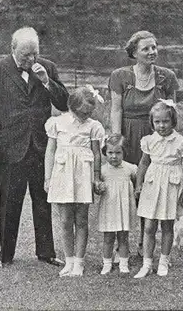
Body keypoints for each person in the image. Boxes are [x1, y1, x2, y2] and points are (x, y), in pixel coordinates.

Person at [0, 26, 69, 268]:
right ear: (13, 49)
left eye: (34, 54)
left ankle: (46, 253)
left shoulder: (47, 67)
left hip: (40, 148)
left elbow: (65, 103)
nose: (32, 60)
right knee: (9, 204)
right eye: (26, 55)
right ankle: (6, 255)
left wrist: (47, 82)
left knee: (43, 201)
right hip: (10, 149)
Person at [109, 30, 180, 257]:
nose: (152, 52)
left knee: (149, 188)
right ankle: (122, 240)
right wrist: (116, 141)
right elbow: (116, 109)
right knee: (125, 188)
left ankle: (143, 240)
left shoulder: (166, 77)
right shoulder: (120, 76)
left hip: (154, 139)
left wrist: (170, 143)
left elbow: (172, 113)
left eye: (154, 47)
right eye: (146, 49)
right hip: (128, 137)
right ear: (134, 53)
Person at [44, 85, 105, 277]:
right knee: (65, 220)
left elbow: (96, 153)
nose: (85, 116)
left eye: (89, 112)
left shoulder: (93, 126)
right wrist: (48, 177)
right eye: (82, 113)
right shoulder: (57, 123)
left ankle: (79, 262)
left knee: (81, 220)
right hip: (63, 174)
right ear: (71, 107)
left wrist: (96, 177)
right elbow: (50, 151)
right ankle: (68, 261)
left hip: (83, 174)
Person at [133, 100, 183, 278]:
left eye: (165, 121)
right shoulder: (149, 140)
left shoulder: (181, 142)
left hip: (171, 183)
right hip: (152, 183)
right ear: (152, 122)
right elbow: (144, 163)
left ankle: (164, 261)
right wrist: (139, 183)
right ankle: (146, 263)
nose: (161, 125)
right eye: (157, 122)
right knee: (149, 226)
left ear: (173, 121)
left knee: (167, 225)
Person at [97, 134, 138, 275]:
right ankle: (107, 263)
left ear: (124, 152)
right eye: (110, 153)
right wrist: (98, 187)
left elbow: (139, 180)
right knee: (108, 237)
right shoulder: (102, 170)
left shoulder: (130, 168)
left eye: (118, 153)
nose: (114, 156)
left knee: (123, 237)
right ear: (105, 153)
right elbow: (96, 187)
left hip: (124, 208)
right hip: (109, 207)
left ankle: (123, 262)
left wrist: (138, 187)